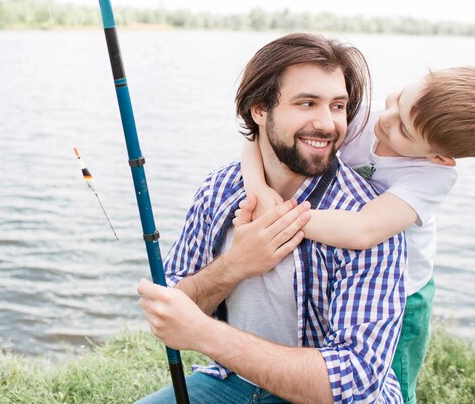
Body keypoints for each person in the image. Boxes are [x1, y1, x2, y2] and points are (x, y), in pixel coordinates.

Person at [135, 32, 407, 404]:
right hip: (232, 382)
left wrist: (207, 335)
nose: (327, 124)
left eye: (338, 106)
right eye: (307, 103)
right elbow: (168, 306)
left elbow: (352, 380)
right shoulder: (220, 188)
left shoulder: (372, 219)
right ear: (259, 110)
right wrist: (235, 265)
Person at [239, 66, 475, 404]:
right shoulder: (364, 117)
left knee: (389, 384)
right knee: (329, 363)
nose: (386, 118)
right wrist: (258, 188)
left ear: (439, 157)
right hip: (347, 273)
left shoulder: (430, 177)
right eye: (399, 98)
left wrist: (279, 216)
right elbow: (260, 134)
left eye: (403, 127)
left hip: (402, 292)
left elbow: (363, 229)